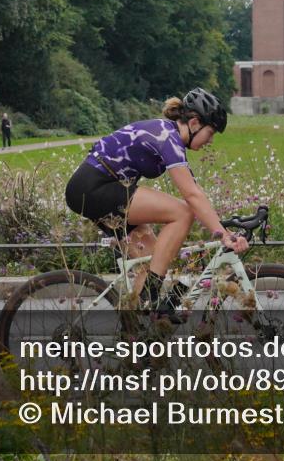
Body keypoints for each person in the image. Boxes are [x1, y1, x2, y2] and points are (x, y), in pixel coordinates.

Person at [64, 87, 248, 321]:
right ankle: (151, 295)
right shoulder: (167, 137)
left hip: (98, 189)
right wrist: (223, 234)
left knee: (152, 262)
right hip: (94, 187)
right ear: (194, 123)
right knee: (182, 212)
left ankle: (137, 334)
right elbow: (191, 197)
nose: (210, 141)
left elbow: (196, 192)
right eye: (210, 132)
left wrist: (223, 227)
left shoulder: (170, 137)